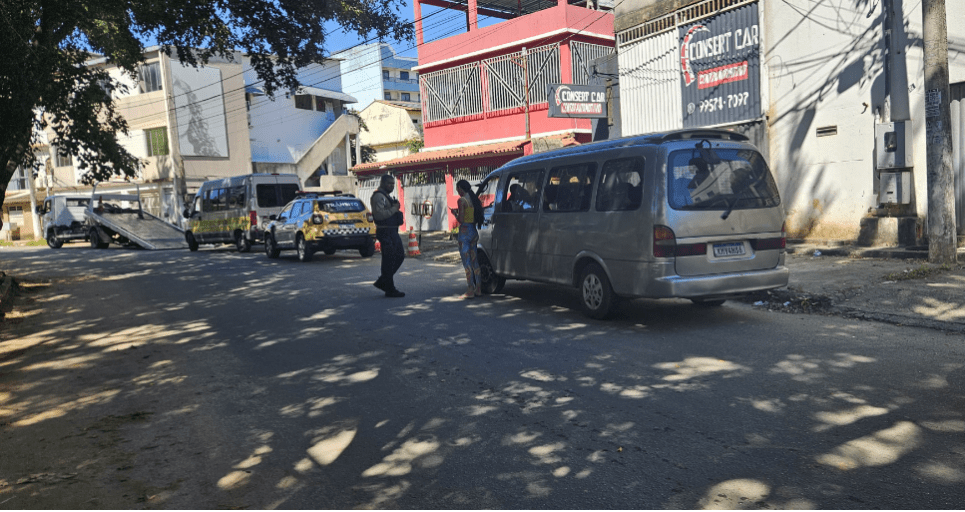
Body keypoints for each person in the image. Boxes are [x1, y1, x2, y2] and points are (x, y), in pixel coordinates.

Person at [370, 175, 406, 298]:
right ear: (383, 183)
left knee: (397, 256)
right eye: (389, 183)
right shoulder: (378, 196)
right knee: (389, 259)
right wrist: (394, 209)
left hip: (392, 231)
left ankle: (384, 282)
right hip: (385, 232)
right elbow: (379, 215)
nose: (391, 186)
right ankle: (388, 287)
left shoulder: (385, 196)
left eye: (392, 183)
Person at [450, 180, 483, 298]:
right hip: (473, 231)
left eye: (457, 188)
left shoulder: (462, 200)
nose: (457, 191)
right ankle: (478, 288)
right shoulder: (473, 199)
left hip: (465, 233)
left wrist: (455, 213)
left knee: (467, 262)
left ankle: (470, 289)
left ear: (460, 188)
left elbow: (461, 219)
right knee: (475, 261)